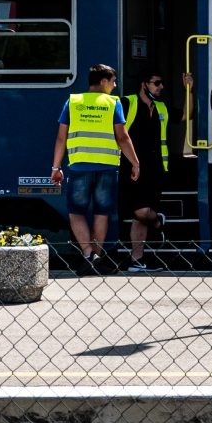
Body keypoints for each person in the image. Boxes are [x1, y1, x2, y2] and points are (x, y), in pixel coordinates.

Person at [50, 64, 140, 272]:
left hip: (80, 166)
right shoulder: (113, 103)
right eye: (113, 81)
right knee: (101, 212)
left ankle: (88, 253)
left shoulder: (73, 102)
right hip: (107, 167)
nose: (115, 86)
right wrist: (135, 162)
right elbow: (123, 137)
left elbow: (61, 137)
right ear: (103, 81)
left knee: (76, 212)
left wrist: (56, 167)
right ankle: (97, 257)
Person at [119, 67, 190, 272]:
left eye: (161, 83)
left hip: (155, 169)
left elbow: (186, 115)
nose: (161, 87)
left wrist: (189, 91)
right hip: (131, 167)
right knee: (140, 211)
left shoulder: (162, 107)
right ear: (144, 84)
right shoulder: (127, 102)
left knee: (139, 216)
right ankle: (158, 222)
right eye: (156, 83)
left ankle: (136, 260)